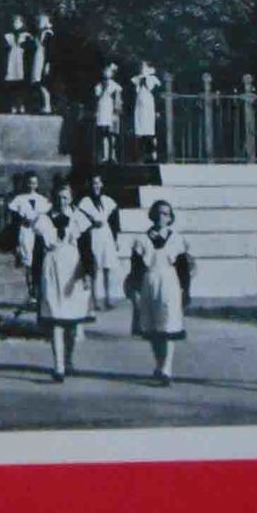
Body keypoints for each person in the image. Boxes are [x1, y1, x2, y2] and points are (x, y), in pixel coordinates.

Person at [32, 180, 96, 381]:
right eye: (59, 197)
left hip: (73, 270)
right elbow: (37, 253)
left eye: (66, 197)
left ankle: (68, 359)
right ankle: (58, 365)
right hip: (51, 270)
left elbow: (86, 249)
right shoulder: (43, 221)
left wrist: (87, 273)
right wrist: (34, 281)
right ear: (53, 198)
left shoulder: (79, 219)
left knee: (71, 322)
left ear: (72, 198)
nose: (62, 201)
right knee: (55, 320)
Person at [128, 199, 195, 385]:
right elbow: (135, 268)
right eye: (158, 213)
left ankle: (167, 368)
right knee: (153, 328)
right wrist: (135, 290)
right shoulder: (142, 240)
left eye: (166, 213)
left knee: (168, 325)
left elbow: (183, 270)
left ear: (171, 217)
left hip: (170, 283)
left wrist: (185, 290)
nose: (161, 217)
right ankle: (159, 363)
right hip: (149, 282)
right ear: (152, 215)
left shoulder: (176, 239)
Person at [76, 172, 121, 311]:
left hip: (106, 235)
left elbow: (114, 222)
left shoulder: (108, 201)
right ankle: (95, 299)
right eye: (93, 183)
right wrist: (91, 223)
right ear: (89, 185)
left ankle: (109, 298)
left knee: (108, 267)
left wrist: (115, 239)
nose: (95, 186)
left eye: (97, 183)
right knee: (95, 268)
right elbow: (80, 221)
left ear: (101, 184)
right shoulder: (84, 202)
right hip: (93, 235)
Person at [6, 170, 50, 299]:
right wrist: (23, 220)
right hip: (26, 232)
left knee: (39, 261)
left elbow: (44, 217)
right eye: (30, 183)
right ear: (26, 183)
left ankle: (39, 291)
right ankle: (31, 293)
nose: (32, 185)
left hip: (39, 233)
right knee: (28, 262)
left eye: (34, 183)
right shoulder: (19, 199)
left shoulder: (42, 199)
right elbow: (15, 217)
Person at [92, 63, 123, 164]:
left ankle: (113, 155)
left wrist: (116, 112)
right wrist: (96, 111)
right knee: (103, 133)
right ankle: (104, 156)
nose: (106, 72)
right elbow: (97, 99)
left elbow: (117, 100)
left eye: (108, 71)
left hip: (110, 111)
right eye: (105, 70)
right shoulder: (99, 85)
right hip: (102, 110)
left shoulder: (115, 86)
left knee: (112, 134)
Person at [131, 62, 161, 161]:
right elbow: (134, 86)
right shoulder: (137, 79)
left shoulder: (153, 79)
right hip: (139, 107)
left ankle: (152, 153)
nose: (142, 68)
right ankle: (139, 155)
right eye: (141, 66)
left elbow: (156, 92)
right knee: (139, 130)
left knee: (149, 130)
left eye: (144, 66)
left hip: (149, 106)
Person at [4, 15, 33, 113]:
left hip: (22, 62)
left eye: (18, 22)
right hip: (11, 61)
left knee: (21, 85)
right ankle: (13, 106)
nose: (15, 24)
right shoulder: (8, 36)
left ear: (22, 23)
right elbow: (4, 49)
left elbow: (30, 50)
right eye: (14, 22)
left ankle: (21, 105)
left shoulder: (27, 35)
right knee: (12, 84)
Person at [28, 14, 54, 113]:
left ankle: (47, 106)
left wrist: (47, 63)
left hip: (43, 60)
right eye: (39, 22)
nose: (39, 24)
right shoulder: (39, 34)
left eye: (42, 21)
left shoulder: (48, 34)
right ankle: (43, 105)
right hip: (38, 59)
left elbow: (49, 49)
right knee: (37, 82)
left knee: (43, 83)